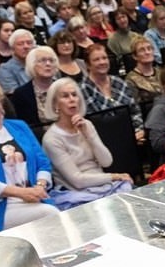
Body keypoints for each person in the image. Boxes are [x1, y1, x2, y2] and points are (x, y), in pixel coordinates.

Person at [0, 74, 55, 234]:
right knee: (51, 215)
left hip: (35, 197)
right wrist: (22, 193)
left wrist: (39, 187)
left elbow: (43, 162)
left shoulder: (20, 126)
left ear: (2, 101)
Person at [41, 78, 132, 210]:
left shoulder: (87, 125)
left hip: (102, 184)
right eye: (65, 96)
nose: (72, 99)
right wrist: (115, 176)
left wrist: (89, 135)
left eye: (74, 94)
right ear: (55, 104)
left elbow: (107, 162)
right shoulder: (51, 139)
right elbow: (78, 181)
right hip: (76, 194)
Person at [81, 44, 145, 142]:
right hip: (103, 141)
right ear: (88, 64)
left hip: (133, 137)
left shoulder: (119, 82)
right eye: (96, 60)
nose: (102, 62)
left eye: (104, 58)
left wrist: (138, 131)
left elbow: (135, 111)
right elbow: (94, 123)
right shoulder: (83, 89)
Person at [10, 46, 59, 129]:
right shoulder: (21, 94)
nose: (48, 64)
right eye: (43, 60)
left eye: (51, 60)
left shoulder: (64, 88)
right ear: (32, 64)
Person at [125, 35, 163, 115]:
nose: (147, 52)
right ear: (135, 56)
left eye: (149, 49)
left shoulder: (161, 72)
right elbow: (134, 109)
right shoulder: (131, 80)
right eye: (142, 50)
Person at [0, 29, 35, 93]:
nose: (26, 46)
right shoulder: (5, 69)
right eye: (20, 44)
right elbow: (15, 95)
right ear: (12, 48)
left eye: (29, 43)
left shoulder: (40, 64)